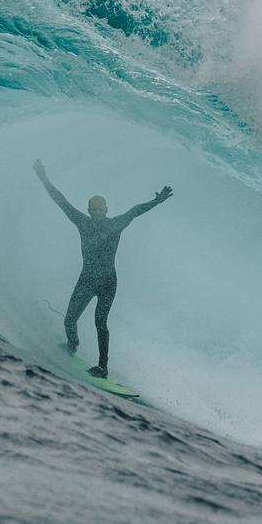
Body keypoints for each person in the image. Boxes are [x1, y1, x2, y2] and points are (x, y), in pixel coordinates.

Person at [33, 159, 172, 379]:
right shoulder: (82, 222)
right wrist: (43, 176)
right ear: (89, 210)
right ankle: (72, 345)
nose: (96, 211)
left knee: (100, 322)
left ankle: (102, 367)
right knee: (69, 319)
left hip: (108, 281)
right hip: (86, 279)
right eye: (93, 209)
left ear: (106, 209)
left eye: (100, 208)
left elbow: (136, 210)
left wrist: (157, 201)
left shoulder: (116, 223)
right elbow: (60, 200)